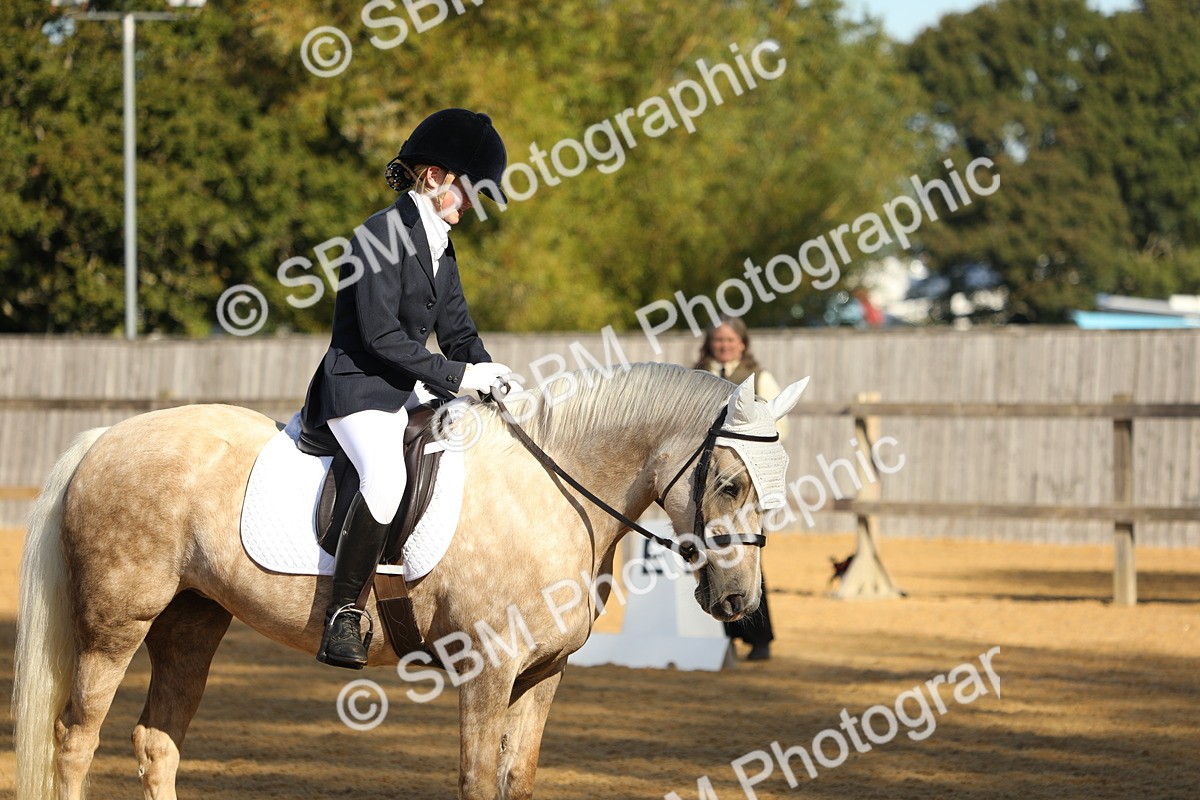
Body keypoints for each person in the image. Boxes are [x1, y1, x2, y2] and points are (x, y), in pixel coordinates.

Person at [300, 109, 515, 669]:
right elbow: (378, 337)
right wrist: (459, 377)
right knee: (387, 474)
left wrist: (498, 384)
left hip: (407, 389)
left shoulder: (441, 244)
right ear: (435, 176)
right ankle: (344, 613)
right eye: (467, 192)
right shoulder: (377, 234)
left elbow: (460, 333)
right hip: (358, 387)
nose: (471, 206)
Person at [693, 316, 785, 660]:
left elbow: (778, 426)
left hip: (745, 483)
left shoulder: (760, 379)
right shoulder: (696, 375)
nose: (724, 346)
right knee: (707, 555)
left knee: (744, 552)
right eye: (719, 340)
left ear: (742, 344)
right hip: (706, 485)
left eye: (730, 340)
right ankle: (721, 636)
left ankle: (759, 638)